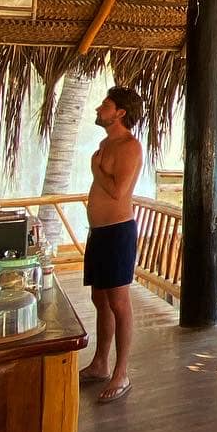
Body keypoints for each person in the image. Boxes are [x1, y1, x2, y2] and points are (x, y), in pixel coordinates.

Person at [80, 85, 144, 404]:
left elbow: (118, 191)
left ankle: (122, 372)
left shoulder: (129, 146)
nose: (98, 108)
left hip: (118, 232)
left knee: (119, 302)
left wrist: (94, 169)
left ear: (120, 112)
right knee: (100, 299)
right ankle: (100, 363)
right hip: (99, 233)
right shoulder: (105, 143)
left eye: (105, 104)